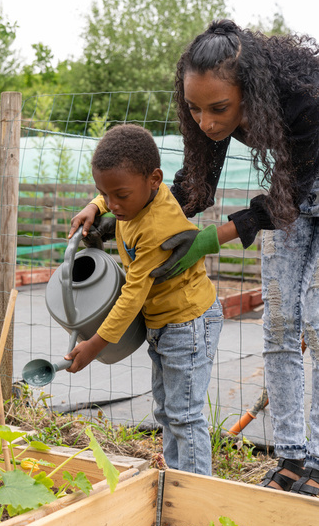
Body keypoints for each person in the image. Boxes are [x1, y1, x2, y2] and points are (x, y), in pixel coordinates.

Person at [148, 19, 319, 496]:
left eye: (218, 109)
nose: (206, 121)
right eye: (194, 108)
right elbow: (193, 188)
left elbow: (288, 197)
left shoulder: (304, 103)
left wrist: (208, 240)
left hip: (299, 190)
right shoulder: (210, 117)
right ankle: (290, 458)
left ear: (252, 91)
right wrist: (114, 210)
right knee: (280, 323)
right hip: (292, 196)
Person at [67, 123, 223, 476]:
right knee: (167, 410)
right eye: (104, 194)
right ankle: (175, 476)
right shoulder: (133, 201)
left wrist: (94, 345)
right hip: (165, 323)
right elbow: (111, 192)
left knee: (184, 414)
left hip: (189, 322)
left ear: (154, 179)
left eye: (120, 195)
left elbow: (132, 296)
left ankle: (197, 491)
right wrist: (95, 206)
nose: (114, 205)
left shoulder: (156, 227)